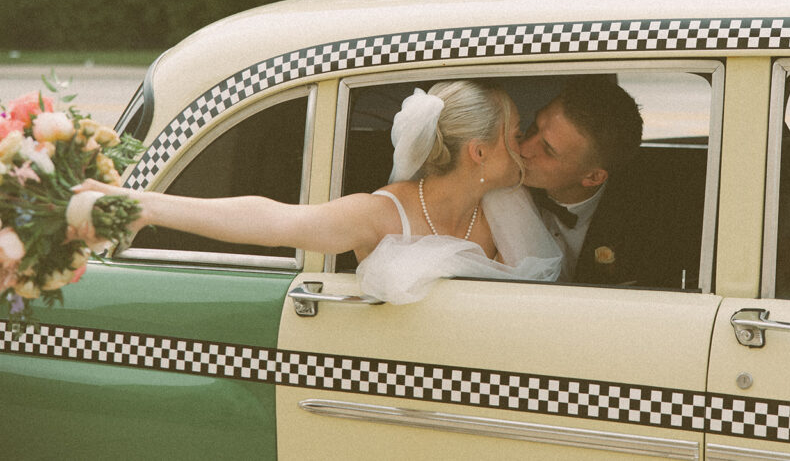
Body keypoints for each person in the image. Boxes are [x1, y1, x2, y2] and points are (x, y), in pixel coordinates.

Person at [75, 80, 563, 303]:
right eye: (517, 131)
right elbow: (273, 220)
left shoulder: (504, 206)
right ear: (478, 153)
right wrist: (143, 205)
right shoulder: (380, 213)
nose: (524, 146)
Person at [519, 78, 684, 287]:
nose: (523, 148)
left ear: (593, 177)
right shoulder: (501, 185)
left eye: (548, 150)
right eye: (534, 127)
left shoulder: (646, 231)